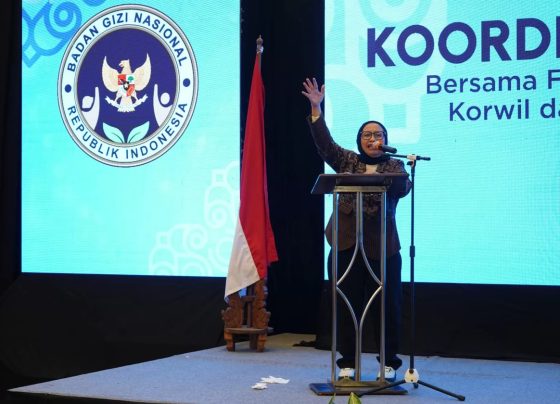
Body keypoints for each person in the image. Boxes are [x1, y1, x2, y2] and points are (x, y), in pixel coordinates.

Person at [301, 77, 411, 381]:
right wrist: (316, 108)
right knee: (345, 304)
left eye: (378, 135)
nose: (372, 139)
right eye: (367, 134)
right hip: (346, 244)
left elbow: (402, 189)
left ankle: (389, 364)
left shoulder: (395, 167)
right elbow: (324, 145)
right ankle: (347, 363)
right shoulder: (346, 160)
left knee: (387, 306)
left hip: (382, 247)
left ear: (385, 139)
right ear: (359, 139)